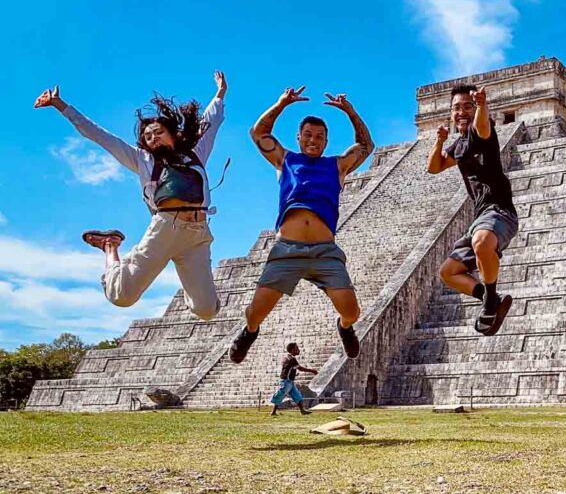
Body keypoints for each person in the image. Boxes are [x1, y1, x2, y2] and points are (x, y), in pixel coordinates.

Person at [33, 72, 228, 320]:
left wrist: (220, 93)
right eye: (147, 136)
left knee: (206, 311)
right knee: (121, 296)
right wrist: (60, 105)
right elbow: (97, 134)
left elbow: (210, 121)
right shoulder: (141, 159)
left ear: (173, 134)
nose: (152, 138)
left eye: (158, 132)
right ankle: (109, 245)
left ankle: (209, 299)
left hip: (197, 235)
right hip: (164, 229)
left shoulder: (196, 152)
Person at [230, 87, 374, 363]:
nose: (313, 140)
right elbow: (258, 133)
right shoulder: (286, 161)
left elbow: (366, 146)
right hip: (287, 250)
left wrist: (351, 112)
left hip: (324, 252)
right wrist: (281, 103)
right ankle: (249, 332)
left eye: (319, 136)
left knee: (352, 312)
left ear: (327, 141)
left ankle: (344, 329)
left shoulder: (337, 166)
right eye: (307, 134)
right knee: (255, 312)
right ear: (298, 137)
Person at [428, 84, 518, 336]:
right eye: (456, 108)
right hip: (480, 217)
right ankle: (490, 298)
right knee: (448, 272)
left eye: (467, 106)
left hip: (500, 211)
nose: (461, 112)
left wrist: (481, 105)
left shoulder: (482, 133)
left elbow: (482, 125)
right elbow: (434, 167)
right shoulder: (459, 145)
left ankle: (490, 300)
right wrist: (439, 142)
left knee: (482, 240)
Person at [270, 343, 318, 416]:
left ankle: (302, 411)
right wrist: (312, 371)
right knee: (280, 395)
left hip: (290, 382)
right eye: (296, 348)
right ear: (292, 350)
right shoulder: (291, 359)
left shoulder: (287, 357)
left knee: (297, 396)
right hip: (286, 381)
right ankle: (273, 412)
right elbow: (300, 368)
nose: (298, 350)